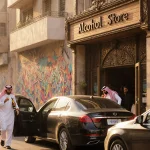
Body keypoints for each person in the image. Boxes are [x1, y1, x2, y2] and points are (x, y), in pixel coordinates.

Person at [0, 85, 19, 149]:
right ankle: (3, 139)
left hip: (10, 115)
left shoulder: (12, 96)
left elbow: (15, 103)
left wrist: (17, 108)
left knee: (10, 130)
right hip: (3, 115)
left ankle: (8, 144)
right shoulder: (1, 95)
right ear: (5, 89)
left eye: (10, 89)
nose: (9, 90)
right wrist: (4, 101)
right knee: (3, 128)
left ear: (11, 90)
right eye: (8, 89)